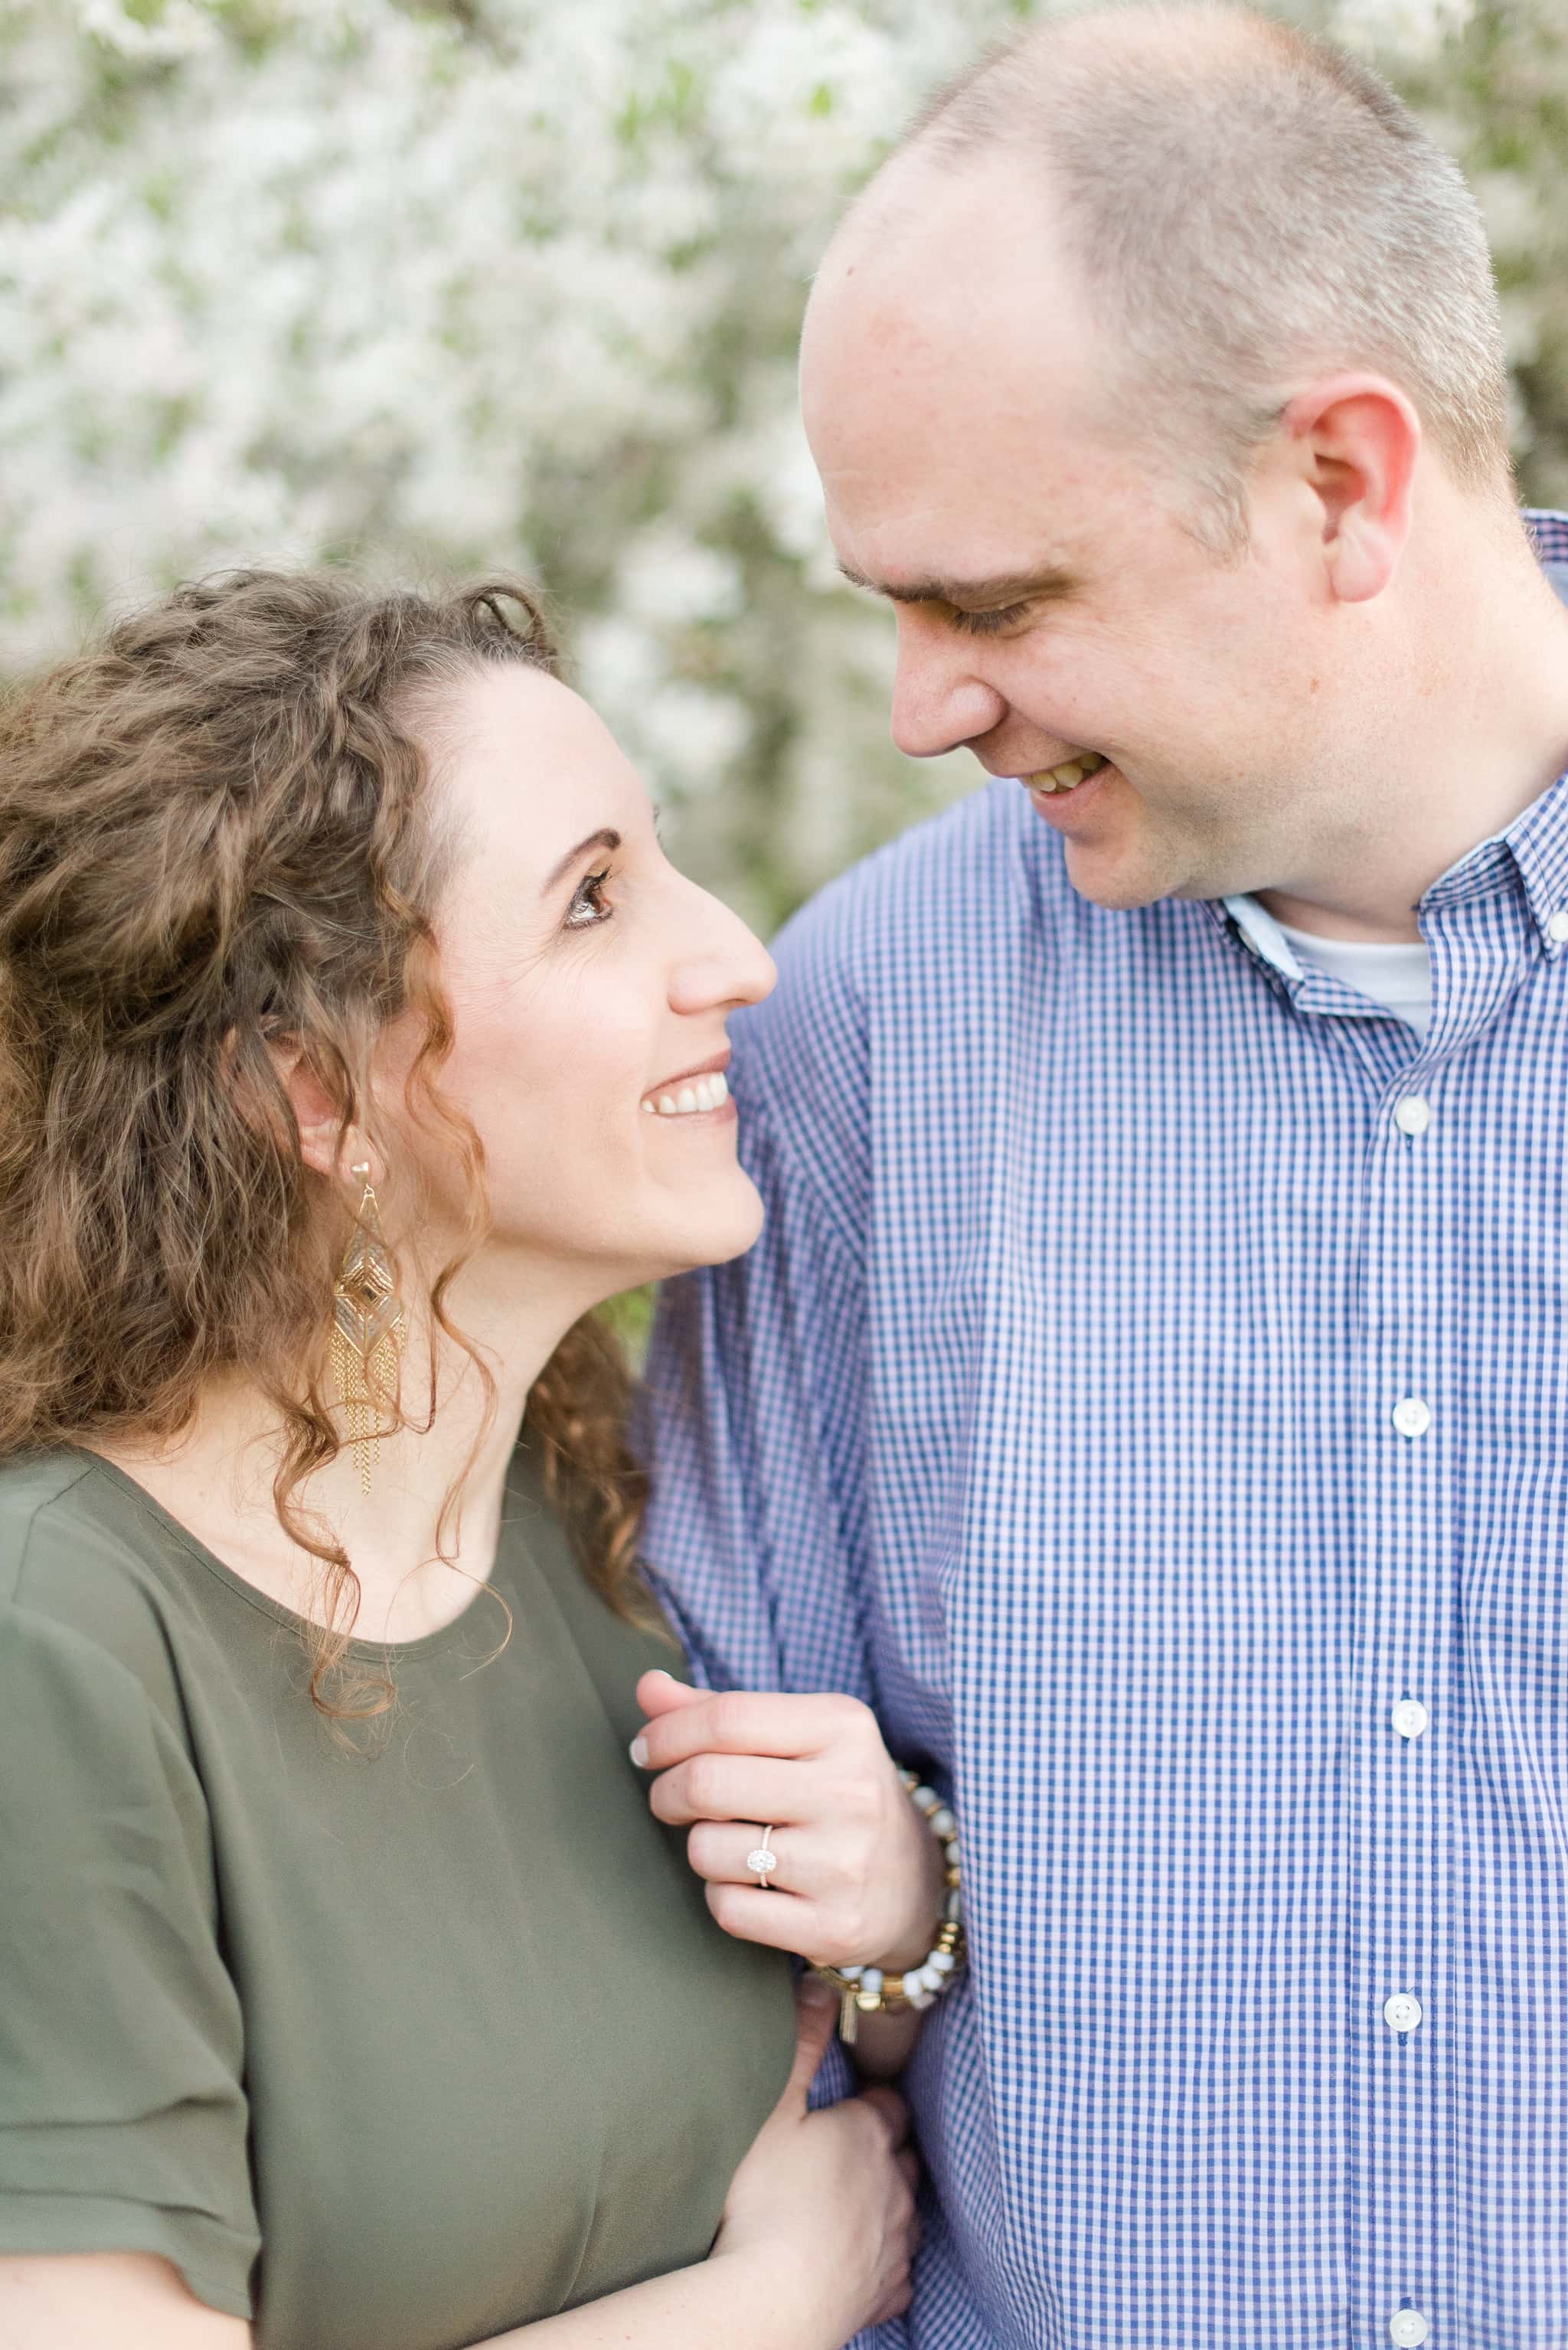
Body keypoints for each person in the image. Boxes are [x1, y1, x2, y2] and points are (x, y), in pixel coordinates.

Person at [634, 8, 1568, 2346]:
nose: (920, 709)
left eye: (996, 602)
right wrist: (910, 1899)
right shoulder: (852, 1039)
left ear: (1343, 482)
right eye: (893, 608)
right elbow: (712, 1992)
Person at [0, 570, 924, 2350]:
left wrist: (896, 1905)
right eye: (593, 900)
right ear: (311, 1096)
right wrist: (771, 2303)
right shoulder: (63, 1645)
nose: (734, 952)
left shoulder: (583, 1507)